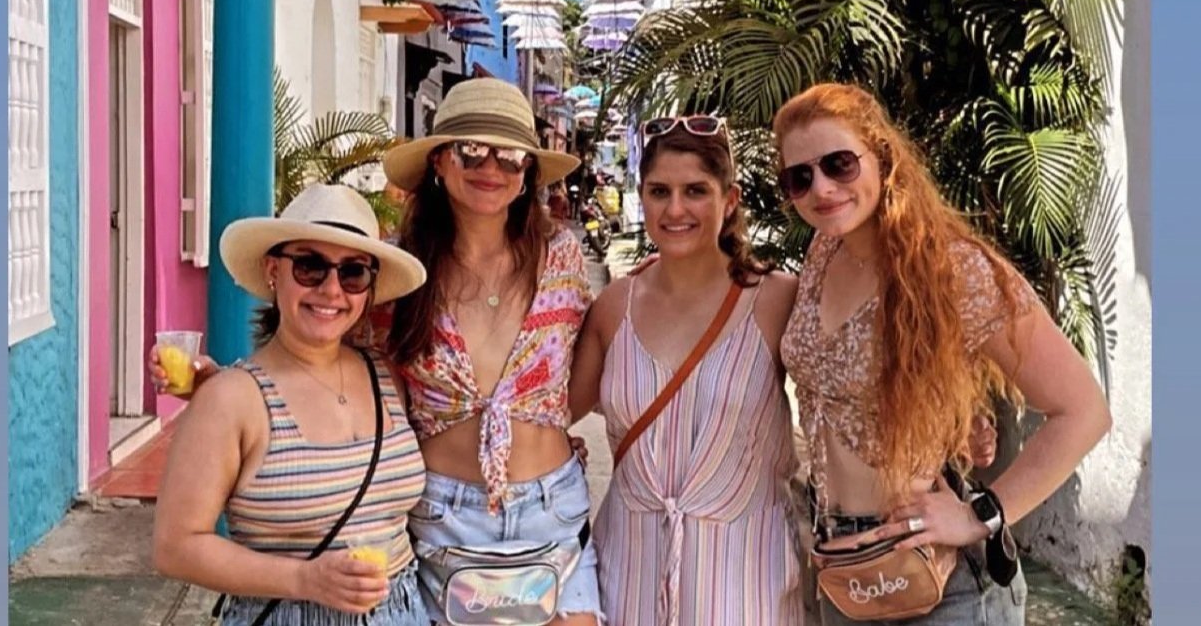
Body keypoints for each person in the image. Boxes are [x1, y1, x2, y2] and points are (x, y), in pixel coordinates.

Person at [774, 83, 1113, 626]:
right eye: (800, 177)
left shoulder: (955, 271)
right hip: (845, 573)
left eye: (839, 163)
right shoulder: (822, 253)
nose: (822, 188)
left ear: (881, 157)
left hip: (940, 580)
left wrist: (983, 515)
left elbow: (1083, 411)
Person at [152, 184, 432, 626]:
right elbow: (175, 546)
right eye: (309, 266)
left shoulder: (387, 378)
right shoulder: (232, 399)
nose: (331, 289)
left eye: (353, 272)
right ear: (272, 271)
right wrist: (306, 579)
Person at [379, 79, 602, 626]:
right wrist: (235, 386)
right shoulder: (399, 271)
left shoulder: (562, 258)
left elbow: (605, 343)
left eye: (511, 156)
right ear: (438, 161)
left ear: (528, 173)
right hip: (441, 520)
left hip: (553, 515)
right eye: (471, 150)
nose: (491, 168)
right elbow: (337, 362)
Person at [569, 114, 805, 625]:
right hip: (627, 578)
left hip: (747, 585)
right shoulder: (614, 307)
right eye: (660, 192)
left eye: (695, 190)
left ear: (730, 199)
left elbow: (853, 386)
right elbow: (545, 414)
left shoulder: (776, 299)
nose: (675, 209)